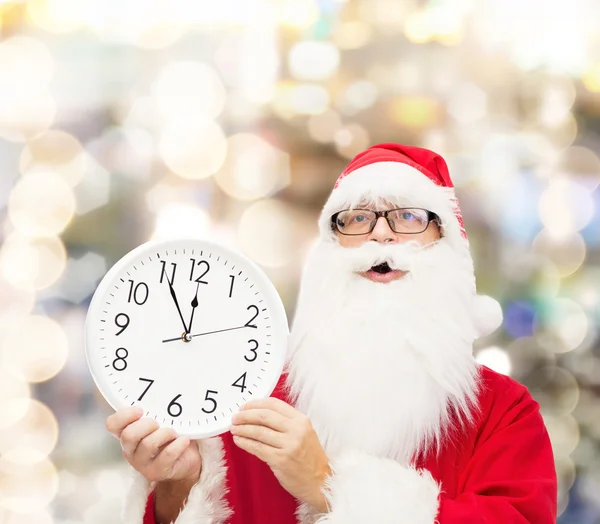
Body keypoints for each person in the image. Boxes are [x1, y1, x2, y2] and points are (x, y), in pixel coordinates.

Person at [107, 144, 557, 523]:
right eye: (356, 219)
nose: (381, 236)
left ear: (447, 246)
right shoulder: (249, 397)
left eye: (408, 216)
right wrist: (179, 485)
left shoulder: (504, 413)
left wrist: (328, 487)